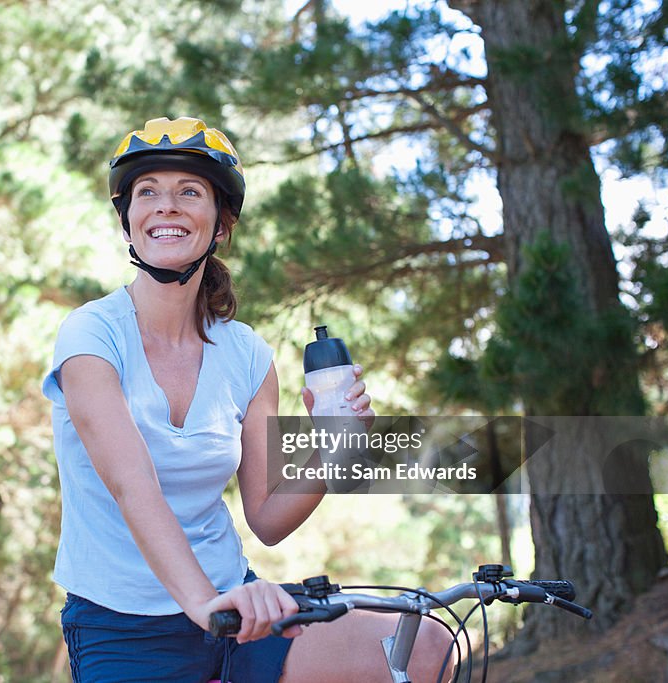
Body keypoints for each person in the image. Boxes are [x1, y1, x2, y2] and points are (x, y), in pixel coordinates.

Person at [42, 117, 449, 682]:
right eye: (147, 193)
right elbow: (131, 484)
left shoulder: (247, 353)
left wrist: (336, 449)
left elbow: (269, 516)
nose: (167, 206)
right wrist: (203, 604)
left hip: (235, 612)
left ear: (220, 224)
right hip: (124, 625)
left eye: (189, 192)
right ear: (128, 221)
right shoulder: (90, 336)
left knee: (420, 643)